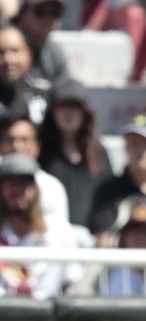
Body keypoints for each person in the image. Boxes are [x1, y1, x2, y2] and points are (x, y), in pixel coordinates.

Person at [37, 77, 113, 230]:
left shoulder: (98, 151)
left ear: (85, 113)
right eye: (63, 106)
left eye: (75, 106)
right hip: (50, 238)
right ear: (52, 111)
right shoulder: (40, 150)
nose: (69, 113)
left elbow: (108, 197)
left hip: (92, 240)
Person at [0, 153, 75, 299]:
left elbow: (73, 282)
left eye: (24, 184)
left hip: (46, 318)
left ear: (35, 189)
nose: (17, 191)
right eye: (10, 184)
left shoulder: (59, 232)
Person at [16, 0, 68, 82]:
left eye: (55, 13)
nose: (47, 19)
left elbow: (64, 89)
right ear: (22, 13)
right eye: (40, 12)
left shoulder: (55, 51)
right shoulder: (7, 46)